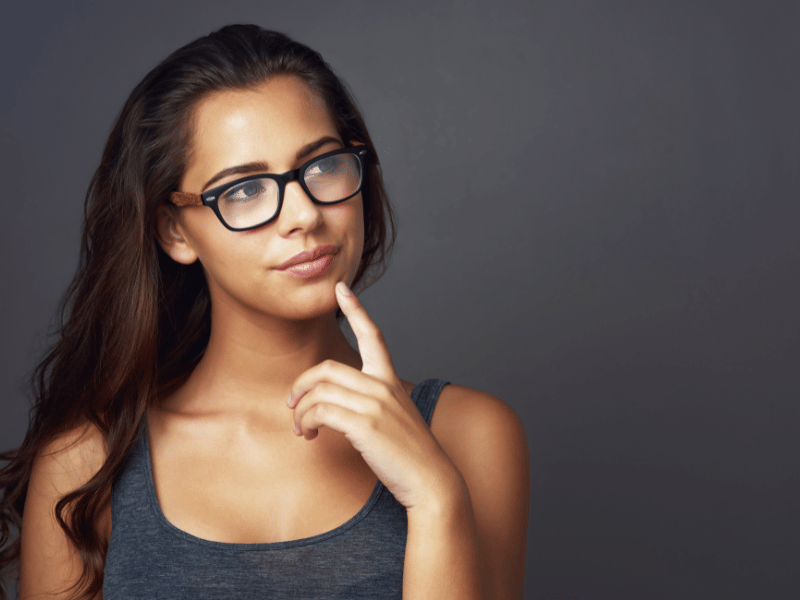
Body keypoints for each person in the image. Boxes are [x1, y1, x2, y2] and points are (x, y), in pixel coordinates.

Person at [0, 24, 530, 599]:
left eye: (324, 165)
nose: (303, 213)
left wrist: (433, 495)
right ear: (175, 230)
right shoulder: (87, 465)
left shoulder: (470, 436)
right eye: (245, 189)